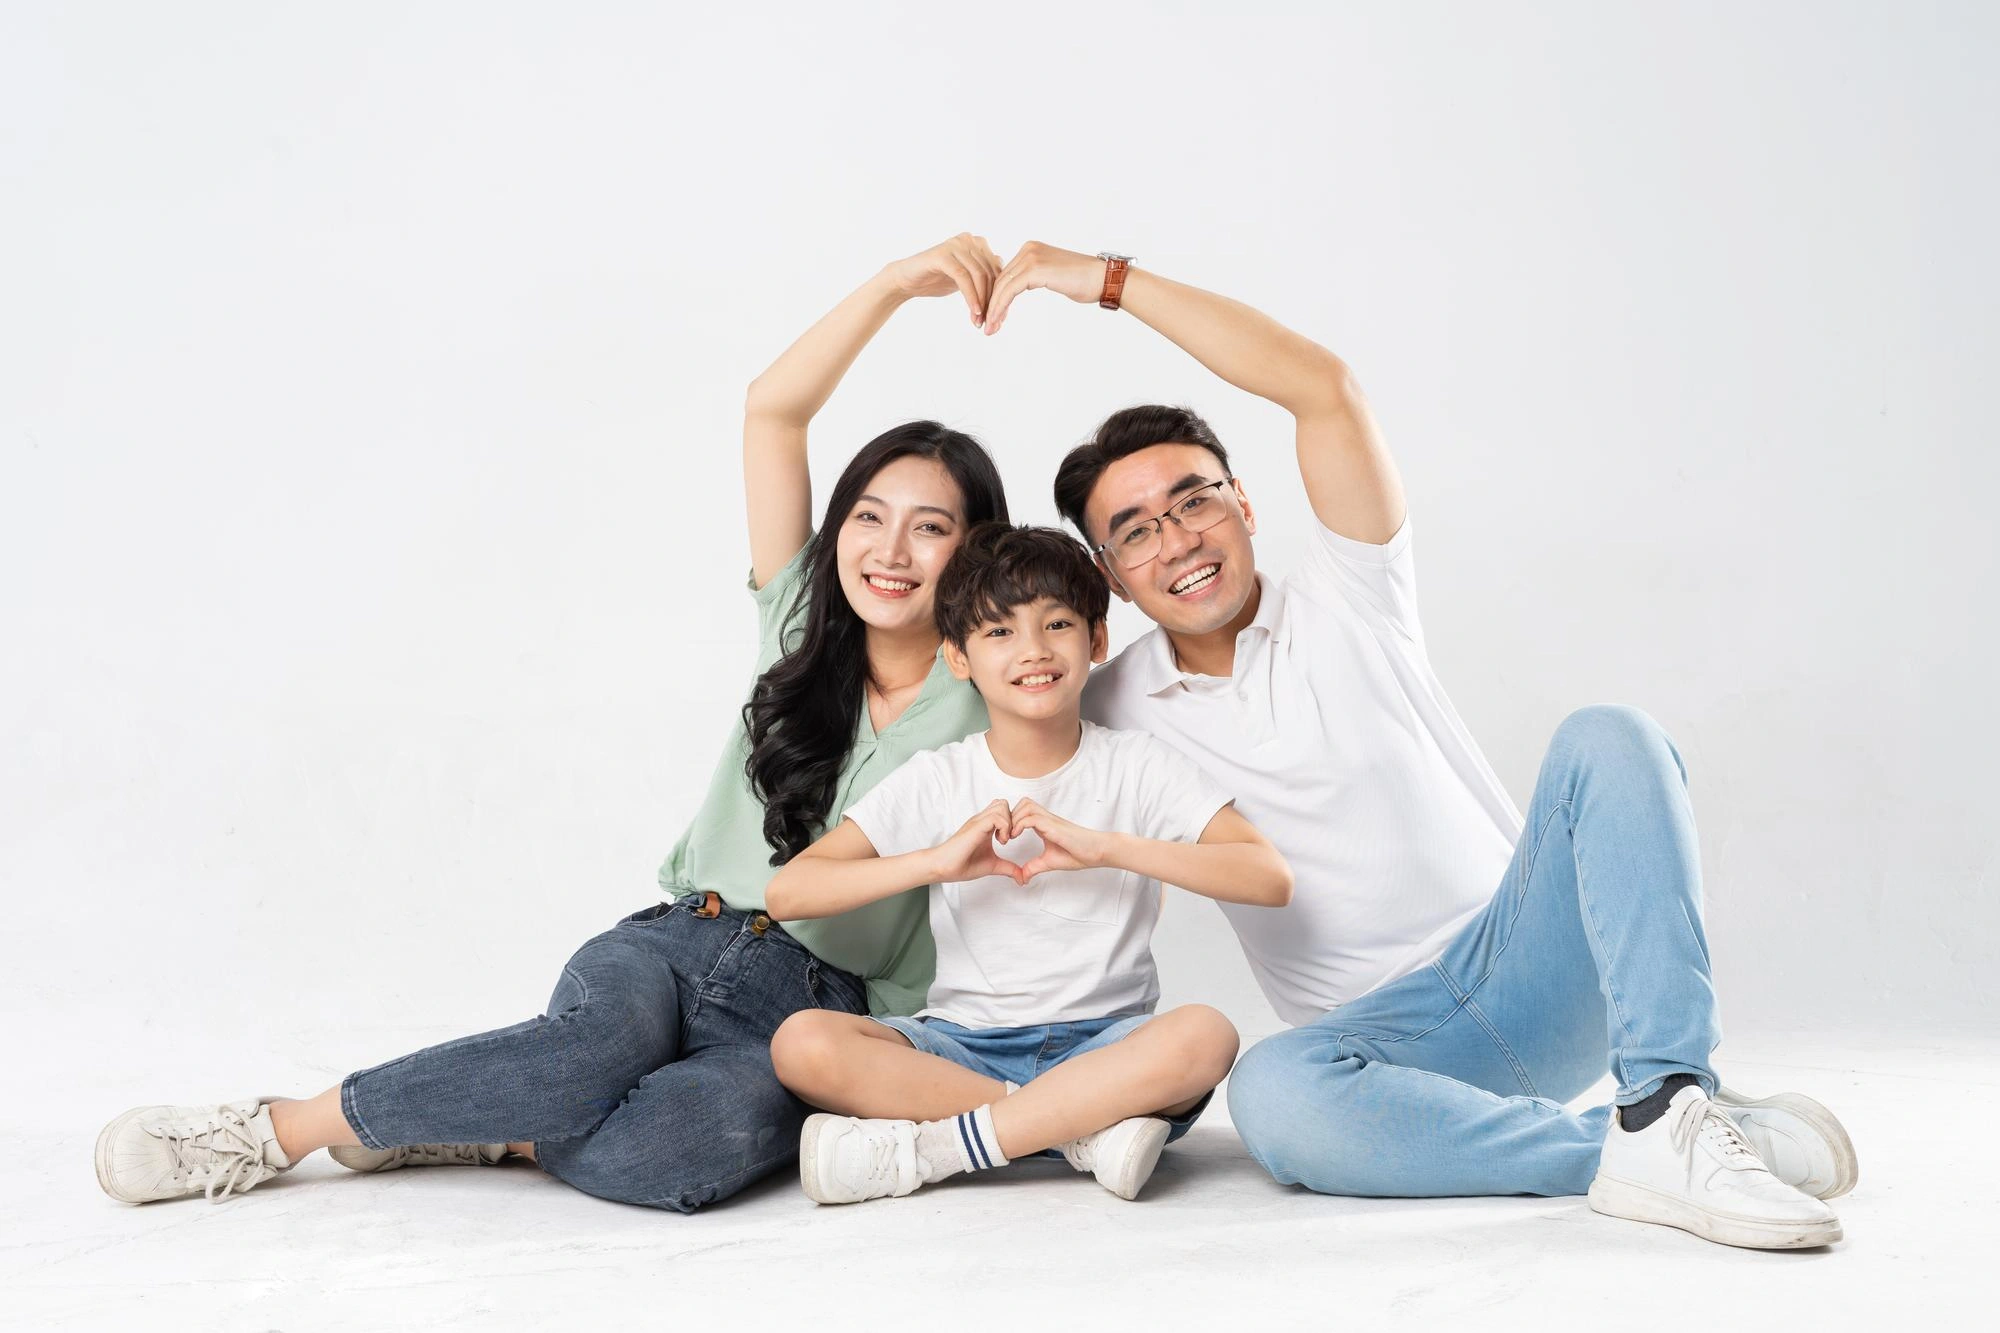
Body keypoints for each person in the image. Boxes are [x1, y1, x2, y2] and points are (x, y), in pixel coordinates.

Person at [93, 234, 1015, 1211]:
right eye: (869, 516)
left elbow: (1089, 631)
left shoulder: (995, 693)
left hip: (812, 1011)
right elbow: (771, 412)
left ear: (975, 551)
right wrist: (893, 284)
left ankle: (489, 1119)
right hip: (676, 941)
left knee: (684, 1145)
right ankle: (280, 1127)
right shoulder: (797, 619)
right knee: (591, 1050)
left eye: (929, 526)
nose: (890, 549)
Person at [981, 242, 1857, 1250]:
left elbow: (1322, 387)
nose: (1176, 539)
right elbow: (973, 670)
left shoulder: (1347, 591)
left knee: (1610, 735)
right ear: (1109, 573)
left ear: (1243, 504)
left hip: (1532, 966)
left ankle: (1665, 1095)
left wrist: (1104, 280)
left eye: (1194, 500)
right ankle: (1651, 1148)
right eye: (1135, 531)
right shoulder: (1108, 706)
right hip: (1388, 1049)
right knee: (1270, 1094)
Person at [762, 523, 1291, 1205]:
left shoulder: (1138, 764)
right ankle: (1078, 1133)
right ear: (958, 657)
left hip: (1109, 1047)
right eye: (999, 632)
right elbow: (790, 892)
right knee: (803, 1043)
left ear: (1097, 640)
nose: (1034, 649)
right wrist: (935, 862)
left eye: (1057, 624)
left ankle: (939, 1151)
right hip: (962, 1048)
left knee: (1206, 1035)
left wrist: (1107, 846)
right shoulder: (939, 778)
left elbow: (1268, 877)